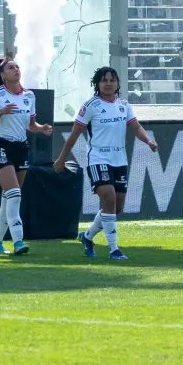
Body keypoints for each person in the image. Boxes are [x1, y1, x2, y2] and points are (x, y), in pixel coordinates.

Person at [54, 66, 158, 261]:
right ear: (97, 84)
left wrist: (149, 141)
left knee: (117, 207)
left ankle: (87, 236)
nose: (108, 84)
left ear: (118, 83)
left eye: (112, 80)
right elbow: (75, 134)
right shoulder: (90, 105)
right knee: (108, 198)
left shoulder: (124, 105)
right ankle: (114, 249)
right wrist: (62, 158)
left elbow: (136, 127)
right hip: (98, 159)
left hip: (119, 160)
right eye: (104, 80)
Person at [0, 57, 53, 256]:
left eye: (17, 66)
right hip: (1, 145)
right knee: (14, 194)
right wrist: (0, 113)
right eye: (10, 68)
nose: (16, 70)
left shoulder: (29, 96)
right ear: (3, 75)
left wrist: (41, 128)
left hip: (21, 147)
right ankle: (18, 241)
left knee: (9, 197)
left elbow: (31, 124)